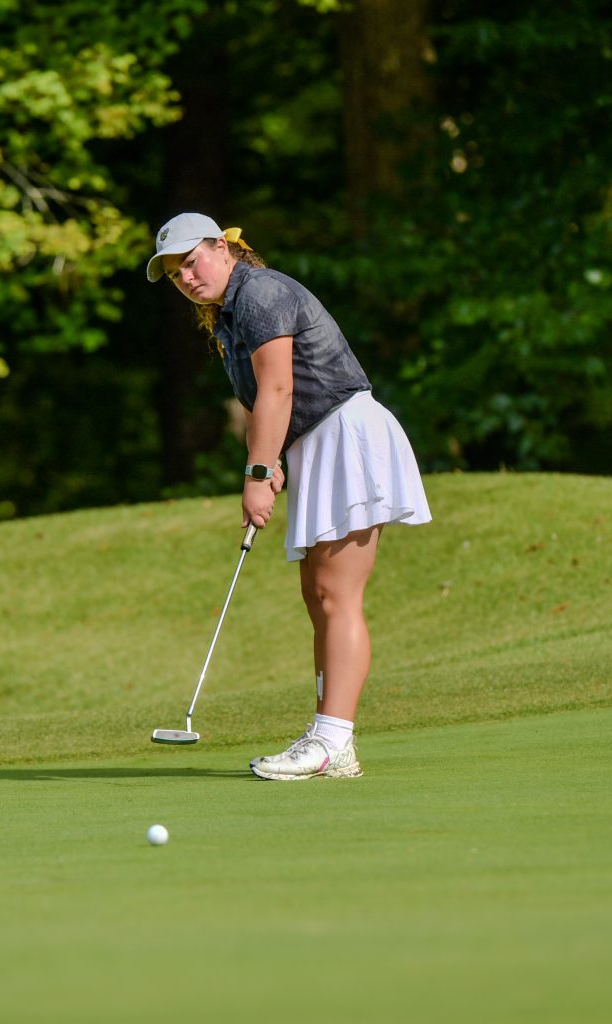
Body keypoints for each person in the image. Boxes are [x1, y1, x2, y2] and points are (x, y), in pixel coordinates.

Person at [147, 212, 431, 781]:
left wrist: (256, 473)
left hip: (344, 434)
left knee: (336, 596)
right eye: (176, 274)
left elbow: (278, 388)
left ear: (221, 248)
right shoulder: (229, 316)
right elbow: (262, 402)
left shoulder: (261, 293)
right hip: (317, 443)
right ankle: (331, 739)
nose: (187, 279)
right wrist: (271, 458)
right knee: (319, 595)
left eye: (191, 262)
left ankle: (332, 741)